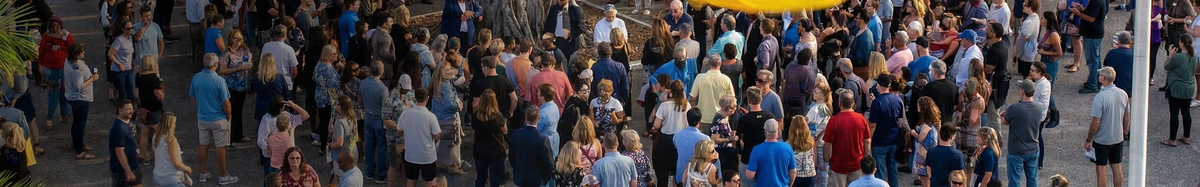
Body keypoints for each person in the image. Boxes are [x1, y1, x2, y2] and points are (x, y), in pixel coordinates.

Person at [189, 53, 239, 185]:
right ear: (215, 64)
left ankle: (202, 173)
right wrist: (229, 117)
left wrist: (199, 109)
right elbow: (226, 103)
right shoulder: (219, 81)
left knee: (203, 145)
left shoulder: (196, 78)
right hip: (219, 118)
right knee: (220, 147)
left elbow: (192, 97)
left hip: (203, 117)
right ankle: (223, 176)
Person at [1086, 67, 1129, 187]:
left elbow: (1096, 122)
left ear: (1103, 78)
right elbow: (1126, 118)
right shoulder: (1123, 94)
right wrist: (1123, 132)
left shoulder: (1100, 97)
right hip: (1118, 137)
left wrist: (1088, 139)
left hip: (1102, 139)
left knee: (1101, 169)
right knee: (1116, 166)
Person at [823, 88, 871, 187]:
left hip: (838, 165)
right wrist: (865, 157)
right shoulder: (861, 119)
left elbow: (827, 144)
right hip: (856, 164)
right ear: (853, 103)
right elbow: (867, 141)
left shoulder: (833, 121)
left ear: (839, 103)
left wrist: (826, 159)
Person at [1002, 79, 1043, 187]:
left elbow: (1004, 121)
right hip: (1033, 148)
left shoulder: (1014, 108)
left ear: (1022, 91)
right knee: (1032, 180)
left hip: (1016, 150)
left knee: (1014, 181)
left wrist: (1003, 114)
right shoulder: (1039, 107)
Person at [37, 17, 74, 131]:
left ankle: (64, 114)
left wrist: (65, 37)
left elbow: (72, 49)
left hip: (64, 68)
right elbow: (41, 52)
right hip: (50, 69)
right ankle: (49, 119)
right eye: (53, 26)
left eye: (57, 26)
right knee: (53, 94)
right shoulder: (46, 36)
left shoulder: (66, 36)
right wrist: (40, 66)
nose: (55, 28)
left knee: (64, 91)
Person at [217, 30, 253, 144]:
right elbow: (221, 70)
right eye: (235, 39)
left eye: (240, 39)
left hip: (242, 86)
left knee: (239, 111)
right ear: (230, 39)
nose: (238, 42)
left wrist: (250, 65)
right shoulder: (226, 53)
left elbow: (249, 61)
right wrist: (237, 69)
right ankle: (229, 138)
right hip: (230, 87)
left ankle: (239, 135)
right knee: (230, 112)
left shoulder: (245, 50)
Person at [63, 44, 97, 160]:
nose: (84, 52)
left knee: (76, 123)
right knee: (80, 126)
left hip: (73, 98)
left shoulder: (67, 62)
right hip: (80, 99)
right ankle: (79, 151)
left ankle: (77, 144)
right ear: (77, 53)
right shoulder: (76, 70)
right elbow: (79, 86)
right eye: (82, 51)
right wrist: (92, 78)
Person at [358, 61, 390, 182]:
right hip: (380, 121)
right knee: (381, 147)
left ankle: (369, 171)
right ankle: (381, 175)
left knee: (369, 146)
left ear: (370, 70)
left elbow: (360, 102)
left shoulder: (363, 84)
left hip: (368, 119)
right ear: (382, 72)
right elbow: (386, 108)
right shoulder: (383, 88)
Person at [1164, 33, 1196, 147]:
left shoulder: (1178, 57)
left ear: (1181, 43)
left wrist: (1170, 54)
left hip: (1176, 88)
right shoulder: (1194, 57)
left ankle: (1172, 139)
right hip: (1189, 88)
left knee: (1174, 113)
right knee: (1186, 112)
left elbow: (1167, 66)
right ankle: (1186, 136)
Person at [1069, 0, 1108, 93]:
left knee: (1092, 61)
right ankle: (1096, 81)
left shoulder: (1096, 2)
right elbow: (1091, 12)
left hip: (1092, 35)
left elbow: (1091, 18)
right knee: (1096, 60)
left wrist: (1078, 13)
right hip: (1094, 34)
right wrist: (1081, 9)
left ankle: (1093, 85)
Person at [690, 54, 736, 131]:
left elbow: (693, 98)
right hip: (721, 118)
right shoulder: (726, 79)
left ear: (709, 64)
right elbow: (732, 100)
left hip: (703, 118)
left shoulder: (700, 78)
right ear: (720, 64)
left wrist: (694, 109)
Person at [746, 119, 798, 187]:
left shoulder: (757, 150)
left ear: (765, 132)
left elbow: (750, 175)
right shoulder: (788, 148)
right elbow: (793, 171)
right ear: (778, 131)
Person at [472, 89, 507, 187]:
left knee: (480, 178)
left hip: (480, 150)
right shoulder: (498, 116)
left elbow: (474, 128)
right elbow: (505, 131)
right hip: (495, 151)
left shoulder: (476, 116)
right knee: (495, 178)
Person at [511, 107, 555, 186]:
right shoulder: (543, 139)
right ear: (538, 118)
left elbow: (511, 156)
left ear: (525, 117)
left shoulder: (515, 134)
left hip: (521, 176)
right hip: (537, 179)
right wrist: (545, 178)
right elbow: (549, 162)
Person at [590, 43, 631, 122]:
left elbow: (593, 87)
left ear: (598, 52)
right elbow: (625, 88)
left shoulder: (594, 67)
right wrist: (623, 101)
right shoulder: (620, 66)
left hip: (599, 103)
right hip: (617, 102)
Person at [134, 56, 165, 165]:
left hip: (143, 108)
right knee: (158, 133)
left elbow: (136, 93)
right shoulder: (155, 78)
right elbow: (160, 95)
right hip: (155, 107)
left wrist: (139, 104)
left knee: (144, 133)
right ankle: (156, 156)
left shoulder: (138, 76)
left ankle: (146, 157)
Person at [313, 45, 342, 151]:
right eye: (334, 54)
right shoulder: (326, 68)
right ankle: (324, 146)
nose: (336, 55)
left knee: (323, 122)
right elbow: (334, 84)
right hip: (327, 99)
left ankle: (322, 145)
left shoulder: (320, 64)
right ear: (328, 55)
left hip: (320, 96)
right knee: (326, 122)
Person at [152, 113, 192, 187]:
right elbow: (177, 163)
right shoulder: (171, 140)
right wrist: (187, 169)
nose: (175, 125)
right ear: (169, 125)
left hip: (158, 176)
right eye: (174, 123)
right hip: (171, 177)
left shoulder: (155, 137)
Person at [676, 107, 712, 186]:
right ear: (700, 121)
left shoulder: (677, 134)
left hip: (680, 174)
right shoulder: (705, 139)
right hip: (696, 177)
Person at [909, 97, 941, 187]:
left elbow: (920, 138)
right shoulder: (934, 122)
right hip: (930, 151)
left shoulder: (927, 124)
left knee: (925, 178)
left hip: (925, 153)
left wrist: (914, 133)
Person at [262, 26, 300, 99]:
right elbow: (294, 71)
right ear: (285, 35)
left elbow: (262, 63)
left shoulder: (266, 46)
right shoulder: (289, 49)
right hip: (285, 83)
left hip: (268, 82)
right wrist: (290, 78)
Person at [807, 83, 833, 187]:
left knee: (818, 174)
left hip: (815, 145)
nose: (813, 93)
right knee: (823, 172)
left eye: (816, 92)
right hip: (823, 143)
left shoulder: (815, 110)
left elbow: (811, 130)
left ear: (822, 96)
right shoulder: (826, 109)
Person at [109, 100, 140, 186]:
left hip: (133, 164)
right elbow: (119, 151)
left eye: (131, 108)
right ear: (120, 110)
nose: (131, 111)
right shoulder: (119, 129)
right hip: (122, 170)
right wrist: (128, 171)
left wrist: (135, 149)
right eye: (128, 109)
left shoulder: (128, 122)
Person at [329, 95, 360, 177]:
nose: (335, 106)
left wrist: (329, 147)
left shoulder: (340, 122)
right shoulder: (353, 118)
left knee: (341, 179)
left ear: (342, 106)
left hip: (341, 155)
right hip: (353, 152)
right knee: (351, 177)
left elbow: (339, 143)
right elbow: (356, 137)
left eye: (337, 104)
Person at [922, 60, 958, 125]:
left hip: (933, 124)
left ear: (934, 72)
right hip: (948, 124)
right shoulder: (953, 86)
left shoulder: (929, 88)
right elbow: (955, 106)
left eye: (930, 70)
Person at [108, 20, 136, 102]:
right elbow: (110, 54)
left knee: (130, 92)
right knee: (122, 93)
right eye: (128, 28)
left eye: (131, 28)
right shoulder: (119, 40)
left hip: (128, 68)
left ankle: (131, 110)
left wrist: (132, 62)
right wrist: (119, 64)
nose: (130, 30)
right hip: (119, 70)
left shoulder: (130, 38)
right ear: (123, 29)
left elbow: (130, 53)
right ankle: (120, 111)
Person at [788, 115, 818, 187]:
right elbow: (814, 159)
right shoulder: (811, 142)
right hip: (810, 174)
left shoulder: (788, 144)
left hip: (795, 175)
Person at [1016, 1, 1041, 77]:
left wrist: (1017, 51)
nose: (1023, 6)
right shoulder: (1035, 17)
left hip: (1026, 50)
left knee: (1026, 72)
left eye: (1024, 5)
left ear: (1030, 7)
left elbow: (1025, 37)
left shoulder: (1030, 22)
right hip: (1029, 49)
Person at [539, 85, 564, 156]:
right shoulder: (554, 106)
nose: (537, 94)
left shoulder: (543, 112)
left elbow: (537, 128)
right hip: (554, 138)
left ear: (543, 97)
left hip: (545, 140)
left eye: (538, 93)